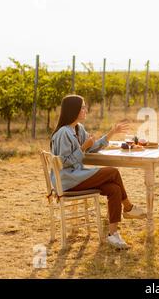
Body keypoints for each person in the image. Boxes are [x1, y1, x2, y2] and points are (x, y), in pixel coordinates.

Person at [50, 94, 146, 249]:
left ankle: (113, 235)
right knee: (113, 172)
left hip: (76, 176)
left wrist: (111, 133)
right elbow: (64, 162)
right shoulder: (63, 133)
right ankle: (128, 207)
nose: (85, 109)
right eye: (82, 107)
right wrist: (83, 147)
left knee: (114, 190)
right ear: (73, 110)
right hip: (66, 180)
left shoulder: (77, 128)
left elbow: (93, 147)